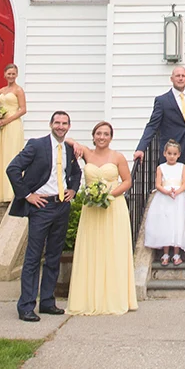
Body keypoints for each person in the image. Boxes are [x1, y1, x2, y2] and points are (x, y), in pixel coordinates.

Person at [6, 110, 82, 322]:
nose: (60, 126)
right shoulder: (36, 145)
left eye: (64, 123)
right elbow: (13, 169)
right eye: (57, 122)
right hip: (41, 206)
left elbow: (76, 173)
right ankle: (26, 306)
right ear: (51, 124)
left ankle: (47, 301)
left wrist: (73, 190)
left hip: (61, 206)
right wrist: (28, 195)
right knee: (33, 257)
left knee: (54, 256)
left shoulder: (69, 148)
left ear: (69, 126)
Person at [68, 121, 137, 315]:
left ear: (111, 137)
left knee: (112, 249)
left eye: (106, 134)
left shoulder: (118, 157)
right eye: (98, 133)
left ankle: (114, 296)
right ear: (93, 136)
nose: (102, 137)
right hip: (91, 208)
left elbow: (127, 181)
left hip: (113, 207)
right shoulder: (87, 154)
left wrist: (109, 195)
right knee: (92, 249)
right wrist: (75, 145)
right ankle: (90, 296)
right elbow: (67, 139)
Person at [134, 65, 185, 167]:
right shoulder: (162, 101)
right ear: (171, 79)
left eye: (183, 76)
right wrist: (140, 148)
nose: (180, 78)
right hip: (171, 153)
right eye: (177, 76)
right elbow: (152, 126)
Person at [0, 64, 27, 205]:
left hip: (12, 126)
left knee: (10, 154)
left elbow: (23, 109)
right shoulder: (1, 90)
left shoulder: (19, 90)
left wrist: (7, 120)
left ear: (17, 74)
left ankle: (10, 192)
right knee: (0, 155)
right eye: (9, 73)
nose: (11, 76)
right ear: (4, 74)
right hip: (1, 127)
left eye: (13, 74)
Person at [145, 140, 185, 266]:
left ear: (179, 154)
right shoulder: (161, 168)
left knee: (177, 223)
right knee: (165, 223)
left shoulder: (182, 167)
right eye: (169, 153)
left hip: (178, 197)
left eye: (174, 154)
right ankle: (165, 253)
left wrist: (178, 191)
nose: (172, 156)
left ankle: (176, 253)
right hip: (164, 197)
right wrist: (167, 192)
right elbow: (158, 184)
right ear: (164, 153)